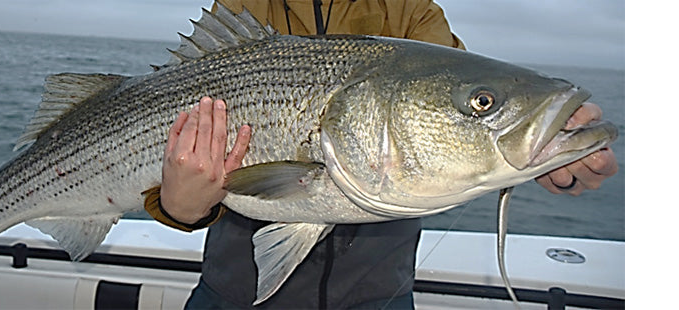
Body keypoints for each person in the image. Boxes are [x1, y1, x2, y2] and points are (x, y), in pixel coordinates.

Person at [144, 0, 619, 309]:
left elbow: (453, 133)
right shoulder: (247, 5)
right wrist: (179, 208)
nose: (483, 106)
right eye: (484, 103)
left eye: (484, 103)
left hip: (377, 296)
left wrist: (552, 157)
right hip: (233, 293)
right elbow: (168, 182)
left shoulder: (411, 12)